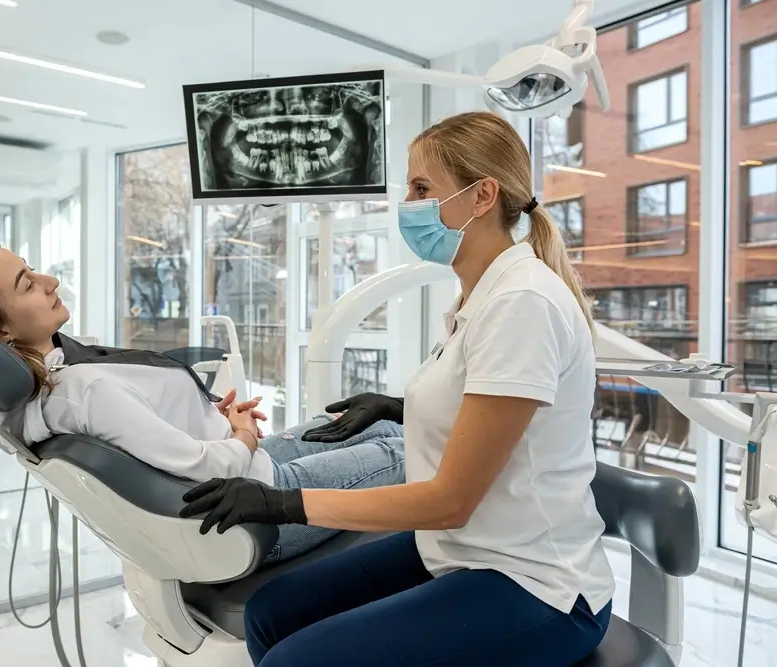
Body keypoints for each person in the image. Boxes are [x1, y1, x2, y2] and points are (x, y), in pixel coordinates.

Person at [178, 111, 615, 667]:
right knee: (271, 612)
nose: (406, 202)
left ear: (482, 196)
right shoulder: (480, 296)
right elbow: (490, 413)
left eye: (421, 187)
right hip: (464, 549)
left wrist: (282, 504)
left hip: (536, 583)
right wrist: (396, 408)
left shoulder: (521, 303)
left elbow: (450, 500)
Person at [0, 239, 406, 562]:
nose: (49, 282)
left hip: (249, 467)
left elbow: (159, 442)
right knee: (402, 447)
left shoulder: (32, 402)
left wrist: (223, 424)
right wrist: (243, 436)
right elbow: (204, 471)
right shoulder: (83, 391)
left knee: (362, 421)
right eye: (27, 283)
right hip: (259, 504)